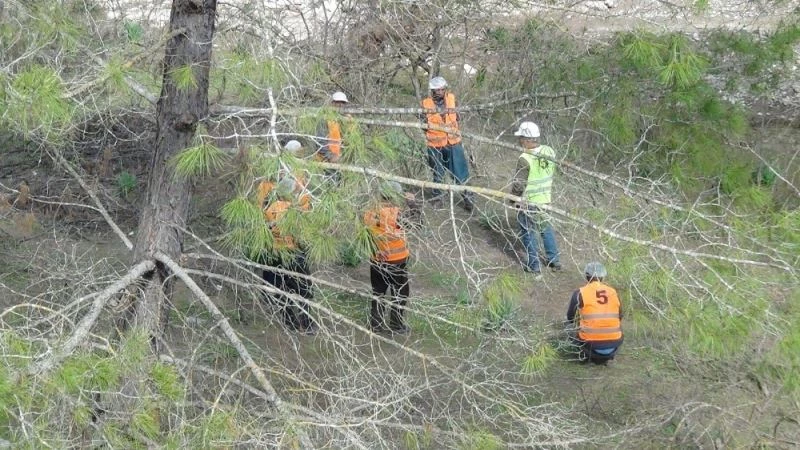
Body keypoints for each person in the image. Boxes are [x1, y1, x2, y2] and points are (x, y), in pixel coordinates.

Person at [363, 181, 420, 334]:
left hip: (377, 260)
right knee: (400, 293)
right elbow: (417, 224)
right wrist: (412, 203)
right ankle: (396, 325)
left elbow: (364, 237)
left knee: (378, 292)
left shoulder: (370, 212)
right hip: (397, 261)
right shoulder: (398, 214)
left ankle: (376, 325)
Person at [262, 177, 316, 335]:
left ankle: (289, 321)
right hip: (294, 254)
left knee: (281, 289)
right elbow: (301, 235)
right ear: (290, 193)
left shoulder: (268, 210)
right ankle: (305, 324)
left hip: (275, 254)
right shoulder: (295, 212)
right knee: (303, 290)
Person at [510, 121, 561, 274]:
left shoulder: (525, 157)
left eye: (521, 138)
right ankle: (554, 261)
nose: (519, 141)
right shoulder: (549, 151)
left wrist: (513, 199)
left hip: (528, 201)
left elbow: (519, 184)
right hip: (545, 199)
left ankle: (534, 265)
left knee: (528, 232)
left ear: (527, 139)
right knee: (546, 229)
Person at [420, 76, 474, 211]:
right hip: (435, 145)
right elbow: (423, 124)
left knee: (461, 173)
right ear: (432, 91)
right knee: (437, 173)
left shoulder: (452, 99)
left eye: (442, 89)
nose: (440, 92)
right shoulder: (425, 104)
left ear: (445, 89)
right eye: (437, 90)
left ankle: (468, 199)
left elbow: (459, 117)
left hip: (453, 143)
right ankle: (437, 199)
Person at [566, 262, 623, 365]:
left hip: (590, 344)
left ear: (586, 276)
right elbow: (620, 316)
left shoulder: (580, 293)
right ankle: (608, 356)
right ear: (603, 277)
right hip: (614, 342)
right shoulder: (613, 292)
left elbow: (570, 317)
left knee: (568, 327)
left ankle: (586, 356)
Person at [255, 140, 310, 210]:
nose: (299, 153)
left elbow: (302, 184)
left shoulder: (302, 165)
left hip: (294, 197)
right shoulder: (279, 162)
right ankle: (259, 209)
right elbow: (273, 178)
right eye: (297, 151)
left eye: (299, 151)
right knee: (264, 185)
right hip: (279, 193)